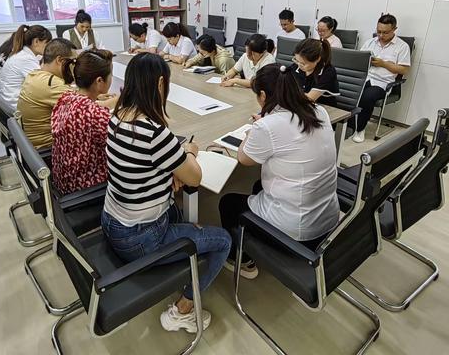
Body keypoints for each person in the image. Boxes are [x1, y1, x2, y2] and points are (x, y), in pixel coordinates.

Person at [101, 53, 231, 333]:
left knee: (178, 201)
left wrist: (170, 171)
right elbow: (195, 175)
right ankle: (182, 311)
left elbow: (146, 162)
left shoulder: (116, 117)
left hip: (112, 220)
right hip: (138, 239)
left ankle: (185, 232)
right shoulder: (152, 132)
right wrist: (190, 152)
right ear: (161, 83)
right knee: (223, 240)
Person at [219, 63, 340, 279]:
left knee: (227, 202)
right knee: (258, 186)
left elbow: (243, 158)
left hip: (298, 233)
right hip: (329, 220)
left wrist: (250, 134)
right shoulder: (319, 110)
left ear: (263, 96)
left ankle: (243, 260)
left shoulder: (268, 126)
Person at [51, 49, 116, 194]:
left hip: (65, 183)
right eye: (111, 74)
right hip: (88, 188)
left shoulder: (65, 99)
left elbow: (89, 111)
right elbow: (126, 145)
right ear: (99, 81)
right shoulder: (95, 115)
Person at [351, 13, 411, 143]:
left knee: (367, 96)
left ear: (394, 29)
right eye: (378, 32)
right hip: (365, 78)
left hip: (382, 83)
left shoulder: (402, 46)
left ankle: (359, 129)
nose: (381, 35)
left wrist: (383, 63)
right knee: (349, 90)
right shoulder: (370, 42)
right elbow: (358, 59)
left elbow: (404, 69)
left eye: (385, 32)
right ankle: (348, 125)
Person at [17, 39, 77, 149]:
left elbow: (75, 95)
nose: (74, 67)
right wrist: (116, 101)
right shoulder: (51, 84)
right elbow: (88, 107)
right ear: (60, 60)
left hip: (29, 147)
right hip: (46, 149)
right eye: (73, 62)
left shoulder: (34, 75)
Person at [0, 24, 52, 110]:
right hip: (14, 108)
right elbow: (43, 85)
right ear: (36, 42)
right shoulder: (26, 59)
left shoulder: (21, 54)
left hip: (7, 103)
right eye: (47, 43)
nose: (49, 47)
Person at [291, 38, 340, 107]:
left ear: (317, 59)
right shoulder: (296, 66)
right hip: (300, 106)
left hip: (323, 109)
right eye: (296, 60)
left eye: (303, 63)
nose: (299, 65)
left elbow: (309, 99)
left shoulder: (328, 72)